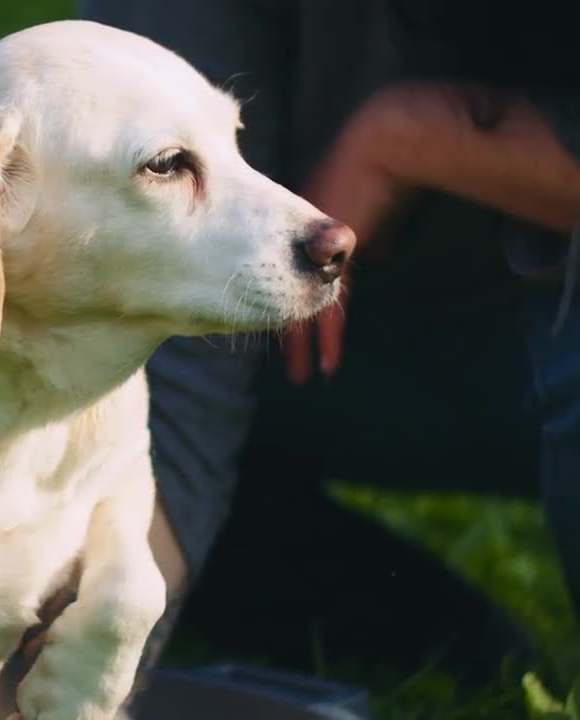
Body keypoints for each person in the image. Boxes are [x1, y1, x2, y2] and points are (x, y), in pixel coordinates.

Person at [76, 0, 580, 696]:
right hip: (356, 354)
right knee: (81, 373)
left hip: (550, 332)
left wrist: (418, 133)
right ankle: (446, 638)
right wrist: (90, 685)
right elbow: (173, 367)